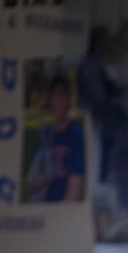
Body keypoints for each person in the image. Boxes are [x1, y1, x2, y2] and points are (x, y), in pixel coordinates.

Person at [23, 74, 85, 204]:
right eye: (55, 95)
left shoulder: (76, 134)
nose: (59, 100)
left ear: (69, 99)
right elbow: (32, 182)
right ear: (50, 100)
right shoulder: (46, 134)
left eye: (63, 95)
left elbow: (74, 189)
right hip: (44, 204)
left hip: (63, 211)